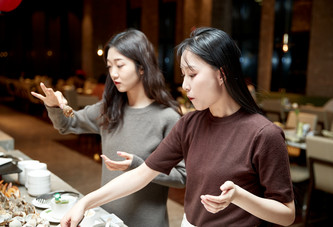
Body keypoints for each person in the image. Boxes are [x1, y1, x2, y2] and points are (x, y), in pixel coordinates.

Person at [60, 27, 295, 227]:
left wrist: (240, 197)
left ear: (221, 74)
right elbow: (142, 175)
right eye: (183, 75)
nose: (184, 85)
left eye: (192, 74)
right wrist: (85, 202)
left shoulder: (264, 134)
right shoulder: (189, 124)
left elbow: (287, 214)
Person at [31, 29, 186, 227]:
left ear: (142, 67)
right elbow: (67, 124)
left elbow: (182, 177)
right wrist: (54, 106)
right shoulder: (109, 109)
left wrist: (140, 165)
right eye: (110, 66)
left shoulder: (167, 117)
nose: (113, 73)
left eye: (120, 65)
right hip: (105, 220)